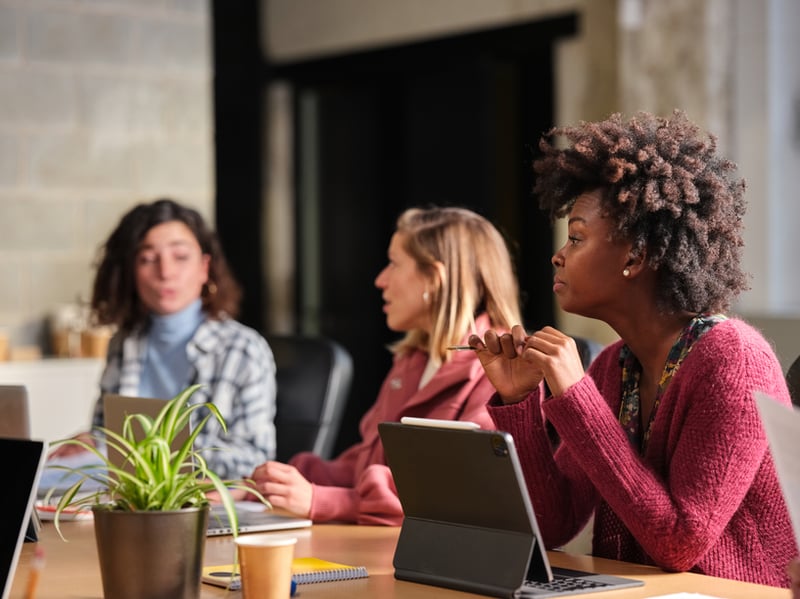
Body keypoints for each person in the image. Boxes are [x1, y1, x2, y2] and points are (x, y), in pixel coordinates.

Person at [468, 111, 797, 587]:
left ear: (637, 256)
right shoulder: (612, 366)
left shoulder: (735, 361)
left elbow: (680, 543)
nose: (558, 255)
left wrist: (576, 397)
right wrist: (522, 402)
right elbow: (554, 524)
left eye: (577, 237)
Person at [242, 206, 523, 525]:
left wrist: (321, 501)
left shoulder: (502, 370)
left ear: (434, 277)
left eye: (393, 264)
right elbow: (365, 466)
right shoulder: (413, 360)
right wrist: (267, 485)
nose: (380, 280)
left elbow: (455, 497)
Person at [49, 198, 276, 479]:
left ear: (204, 268)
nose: (165, 272)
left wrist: (150, 449)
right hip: (126, 500)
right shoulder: (124, 342)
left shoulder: (243, 349)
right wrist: (92, 443)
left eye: (180, 257)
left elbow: (254, 459)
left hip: (201, 509)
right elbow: (105, 433)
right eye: (147, 259)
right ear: (131, 272)